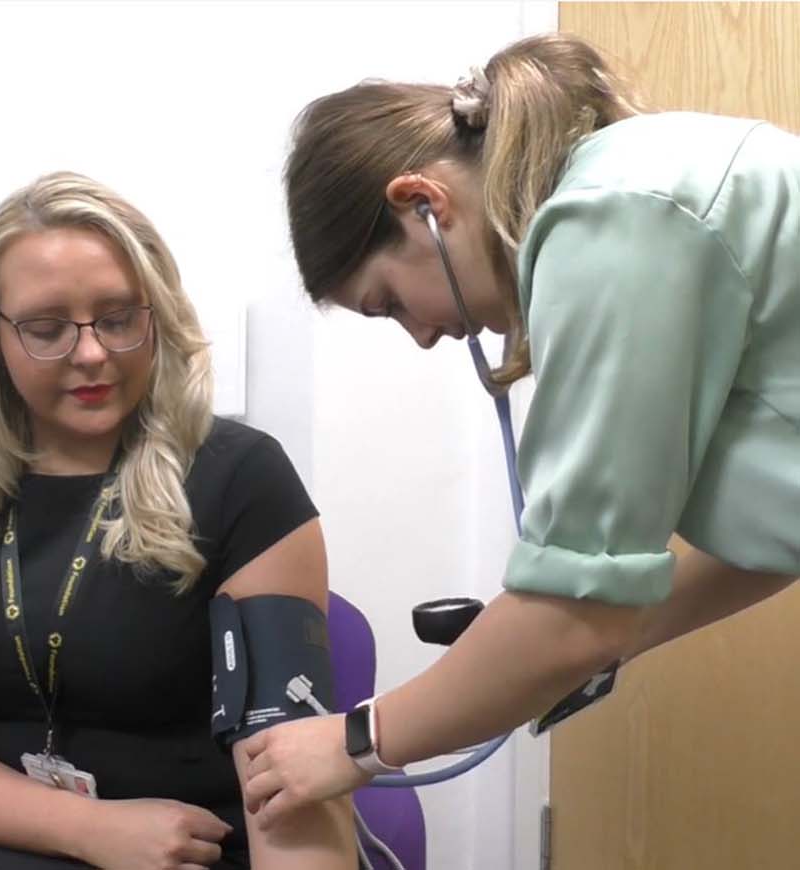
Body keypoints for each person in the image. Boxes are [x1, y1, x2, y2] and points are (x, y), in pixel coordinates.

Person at [242, 32, 800, 828]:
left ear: (423, 204)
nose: (424, 335)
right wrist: (600, 641)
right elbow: (771, 537)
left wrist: (354, 741)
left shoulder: (611, 219)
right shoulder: (638, 189)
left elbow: (574, 616)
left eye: (390, 302)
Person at [0, 171, 357, 869]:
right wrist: (89, 829)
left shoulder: (242, 479)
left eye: (118, 318)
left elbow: (289, 774)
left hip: (188, 846)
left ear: (159, 315)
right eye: (47, 329)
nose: (91, 353)